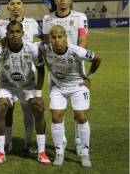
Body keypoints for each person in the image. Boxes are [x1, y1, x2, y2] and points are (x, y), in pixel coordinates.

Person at [0, 21, 50, 165]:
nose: (15, 35)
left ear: (23, 33)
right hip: (7, 86)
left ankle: (41, 151)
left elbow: (41, 69)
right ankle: (1, 152)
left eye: (18, 32)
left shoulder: (32, 48)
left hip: (27, 85)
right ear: (7, 34)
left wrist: (38, 94)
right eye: (11, 32)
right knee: (0, 109)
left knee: (38, 108)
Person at [41, 25, 101, 167]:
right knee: (56, 116)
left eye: (60, 37)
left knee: (81, 116)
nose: (57, 40)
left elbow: (97, 59)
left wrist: (88, 76)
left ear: (65, 38)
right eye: (53, 37)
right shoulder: (44, 48)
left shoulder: (77, 51)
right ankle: (59, 152)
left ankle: (85, 154)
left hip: (78, 87)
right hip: (59, 87)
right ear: (49, 38)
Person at [42, 0, 88, 155]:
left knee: (79, 110)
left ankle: (78, 139)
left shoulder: (80, 17)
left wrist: (75, 58)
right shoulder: (48, 19)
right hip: (55, 71)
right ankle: (61, 141)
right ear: (55, 0)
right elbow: (47, 42)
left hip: (75, 67)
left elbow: (83, 40)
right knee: (56, 109)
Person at [0, 0, 41, 153]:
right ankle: (7, 142)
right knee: (7, 110)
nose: (15, 6)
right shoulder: (0, 25)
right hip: (8, 76)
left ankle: (28, 142)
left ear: (23, 6)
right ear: (7, 7)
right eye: (12, 3)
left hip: (28, 77)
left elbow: (42, 42)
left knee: (29, 109)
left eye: (18, 3)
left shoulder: (33, 24)